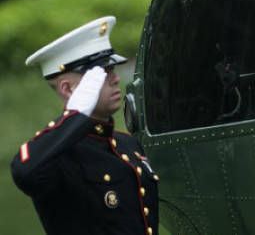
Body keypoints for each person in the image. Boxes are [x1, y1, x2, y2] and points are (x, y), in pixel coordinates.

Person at [11, 16, 159, 235]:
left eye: (112, 70)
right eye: (100, 75)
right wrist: (76, 114)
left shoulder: (127, 144)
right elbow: (25, 172)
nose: (115, 79)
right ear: (69, 90)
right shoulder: (56, 155)